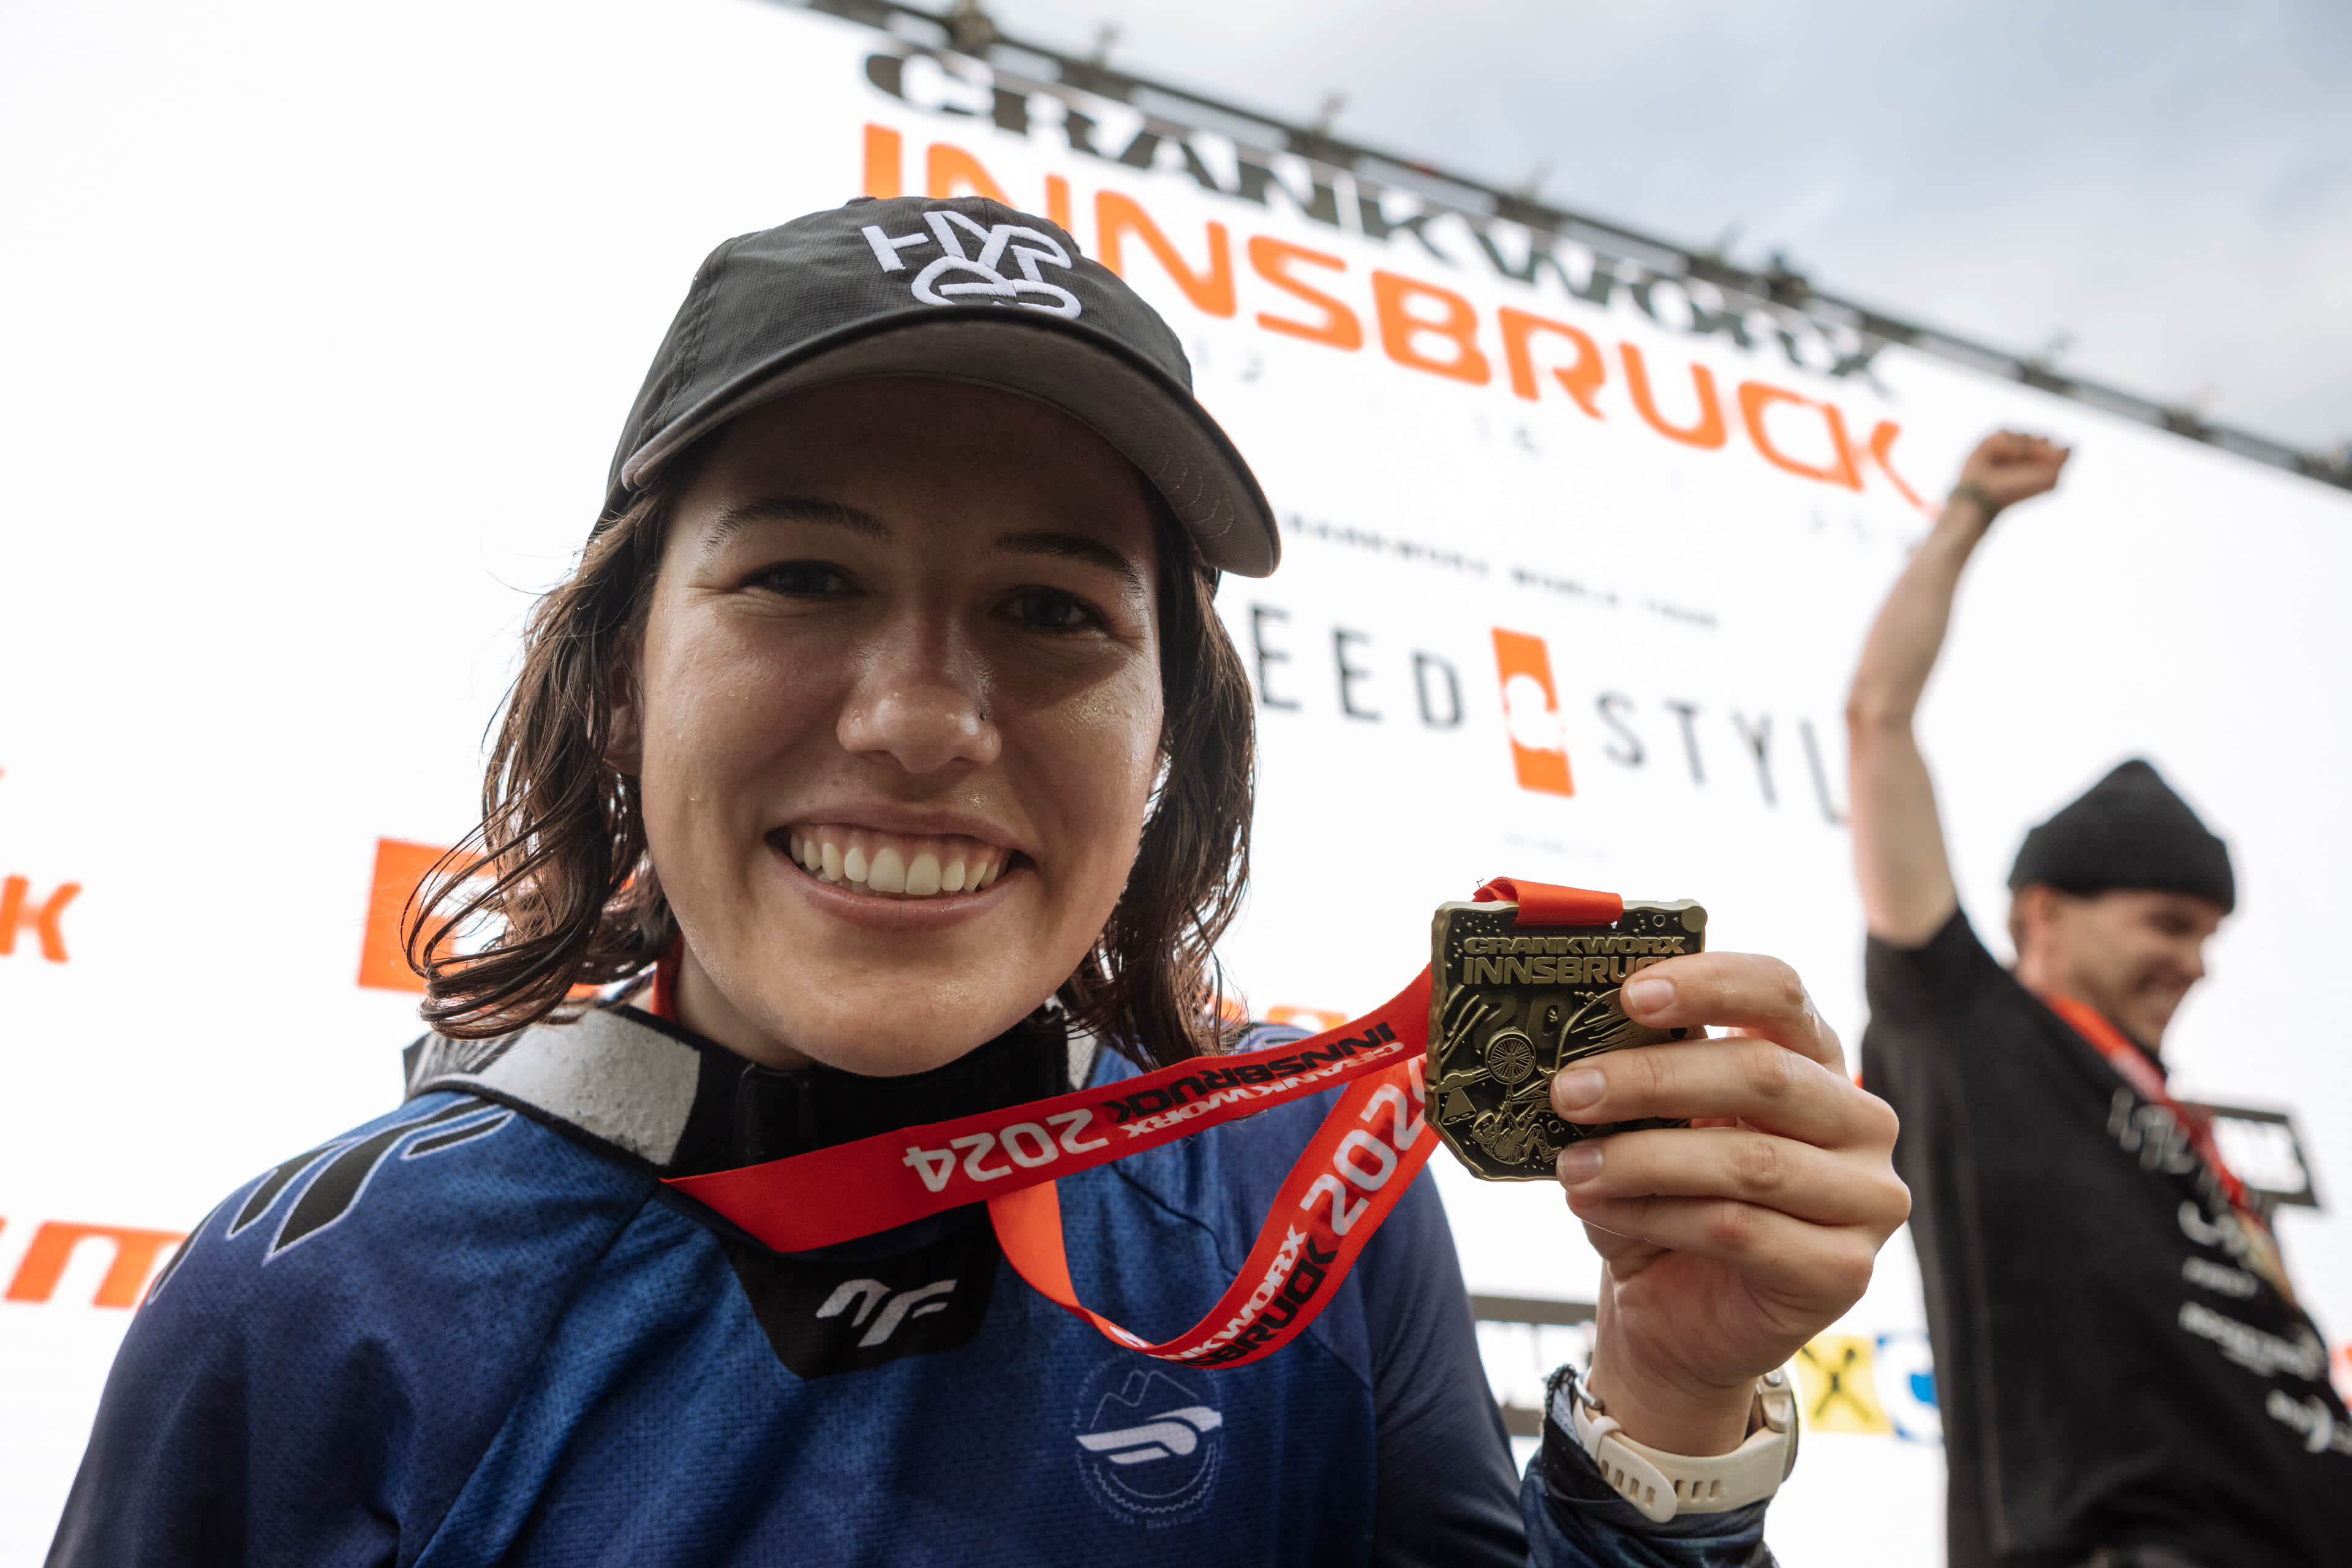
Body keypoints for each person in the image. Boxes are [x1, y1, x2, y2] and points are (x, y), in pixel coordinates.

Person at [51, 195, 1907, 1566]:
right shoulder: (310, 1295)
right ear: (620, 674)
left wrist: (1674, 1411)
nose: (924, 719)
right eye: (804, 578)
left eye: (1049, 609)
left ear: (1169, 735)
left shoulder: (1306, 1213)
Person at [1847, 431, 2351, 1568]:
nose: (2196, 964)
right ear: (2043, 912)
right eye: (2169, 924)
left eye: (2210, 936)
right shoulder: (1968, 1033)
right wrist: (1972, 508)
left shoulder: (2174, 1119)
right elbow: (1879, 721)